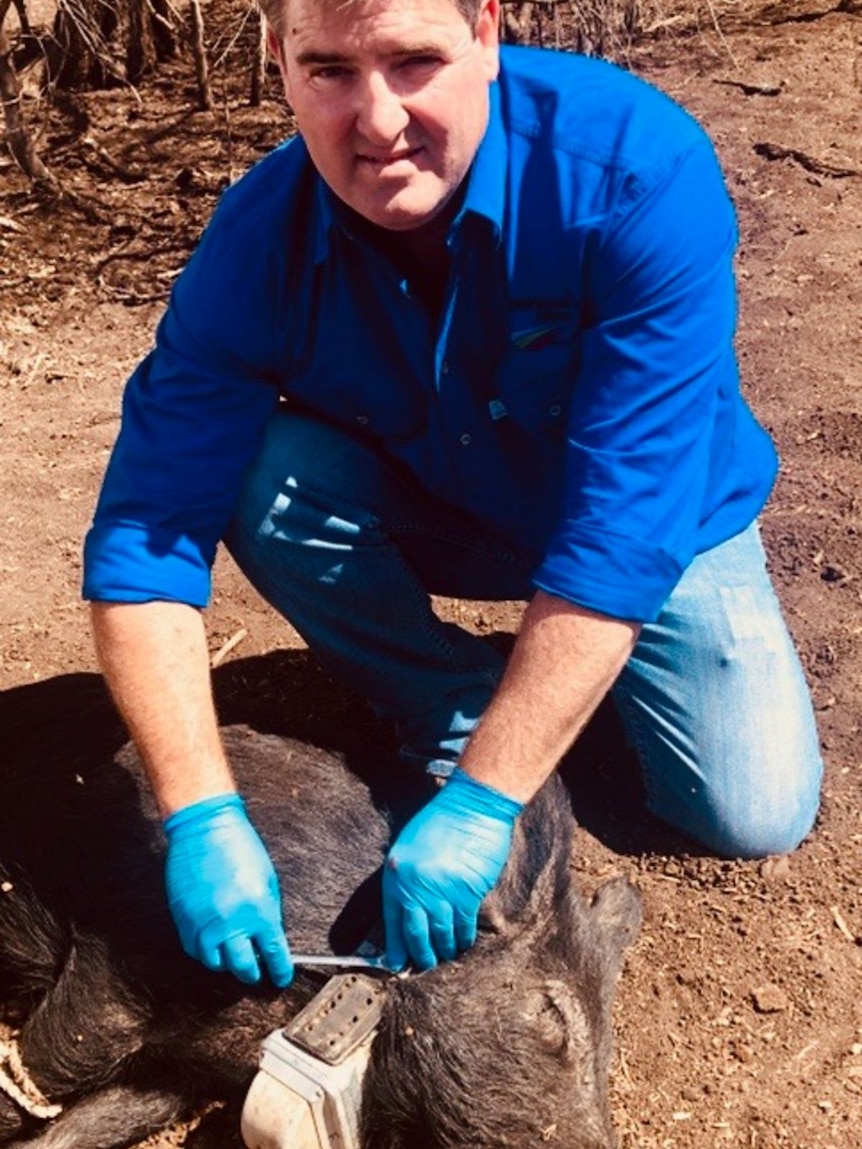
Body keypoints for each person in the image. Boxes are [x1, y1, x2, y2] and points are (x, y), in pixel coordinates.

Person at [83, 0, 823, 988]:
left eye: (413, 60)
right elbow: (145, 534)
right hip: (439, 500)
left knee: (749, 812)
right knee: (259, 469)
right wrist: (199, 814)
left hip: (658, 524)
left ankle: (543, 710)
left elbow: (621, 534)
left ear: (486, 33)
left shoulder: (631, 171)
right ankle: (451, 700)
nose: (379, 122)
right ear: (278, 59)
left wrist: (481, 809)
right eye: (331, 70)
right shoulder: (255, 243)